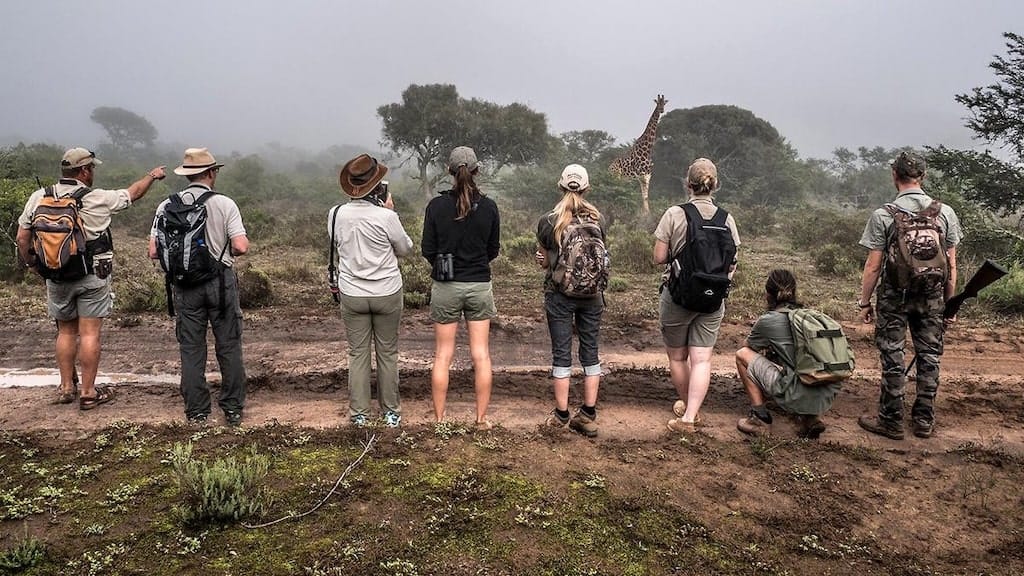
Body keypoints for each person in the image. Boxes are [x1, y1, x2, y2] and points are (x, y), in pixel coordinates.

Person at [16, 147, 166, 410]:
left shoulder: (39, 196)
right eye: (92, 168)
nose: (93, 172)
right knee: (89, 333)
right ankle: (88, 392)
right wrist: (151, 176)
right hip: (93, 274)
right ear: (84, 170)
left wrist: (34, 265)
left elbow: (22, 238)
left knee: (65, 331)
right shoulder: (97, 197)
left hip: (55, 273)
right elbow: (133, 194)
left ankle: (65, 387)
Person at [856, 151, 961, 440]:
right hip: (933, 298)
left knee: (893, 355)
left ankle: (891, 421)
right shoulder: (946, 213)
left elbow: (873, 265)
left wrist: (865, 302)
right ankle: (923, 422)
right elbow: (951, 265)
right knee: (929, 357)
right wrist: (949, 306)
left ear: (894, 176)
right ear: (923, 177)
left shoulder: (883, 215)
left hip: (894, 297)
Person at [148, 148, 249, 426]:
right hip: (220, 284)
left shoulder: (165, 206)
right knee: (228, 345)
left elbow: (154, 252)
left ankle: (197, 412)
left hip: (184, 286)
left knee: (191, 349)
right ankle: (232, 407)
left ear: (187, 175)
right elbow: (240, 246)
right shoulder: (225, 204)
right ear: (211, 172)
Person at [652, 158, 740, 433]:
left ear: (687, 184)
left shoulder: (675, 214)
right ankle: (691, 414)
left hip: (679, 295)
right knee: (702, 359)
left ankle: (687, 412)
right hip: (714, 299)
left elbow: (659, 258)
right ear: (715, 186)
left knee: (678, 357)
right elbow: (733, 262)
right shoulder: (727, 218)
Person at [330, 155, 414, 427]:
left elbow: (339, 243)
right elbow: (405, 249)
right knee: (387, 353)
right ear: (377, 186)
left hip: (352, 292)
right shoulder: (386, 217)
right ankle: (391, 413)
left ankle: (359, 415)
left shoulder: (334, 215)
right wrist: (391, 211)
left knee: (357, 354)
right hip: (386, 291)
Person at [422, 146, 501, 429]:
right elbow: (493, 249)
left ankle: (440, 420)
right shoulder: (490, 206)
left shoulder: (436, 206)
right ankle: (481, 420)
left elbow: (427, 248)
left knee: (443, 355)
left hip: (446, 286)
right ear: (477, 170)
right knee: (481, 354)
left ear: (449, 171)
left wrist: (445, 265)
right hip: (479, 284)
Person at [535, 164, 607, 437]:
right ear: (587, 188)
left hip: (559, 295)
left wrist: (545, 260)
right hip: (593, 295)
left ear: (561, 186)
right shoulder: (599, 219)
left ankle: (561, 415)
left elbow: (545, 260)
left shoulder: (548, 221)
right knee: (590, 352)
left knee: (562, 354)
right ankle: (588, 415)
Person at [735, 270, 840, 439]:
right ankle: (809, 418)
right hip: (826, 393)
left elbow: (748, 348)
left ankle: (759, 418)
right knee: (796, 359)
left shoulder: (769, 320)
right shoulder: (809, 318)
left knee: (742, 355)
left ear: (768, 294)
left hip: (798, 392)